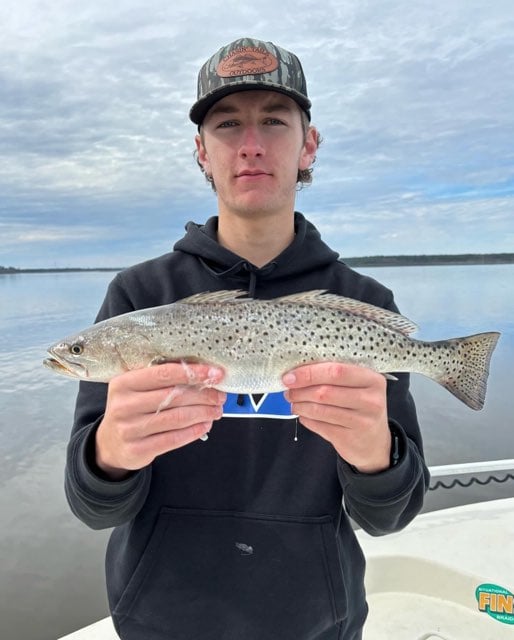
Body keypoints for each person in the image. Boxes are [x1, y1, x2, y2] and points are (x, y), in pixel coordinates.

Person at [65, 37, 429, 640]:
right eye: (228, 123)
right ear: (201, 151)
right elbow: (92, 507)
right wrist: (108, 455)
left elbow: (390, 515)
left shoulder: (364, 307)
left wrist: (376, 455)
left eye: (274, 121)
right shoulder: (138, 298)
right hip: (160, 620)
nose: (252, 144)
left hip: (318, 621)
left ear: (308, 143)